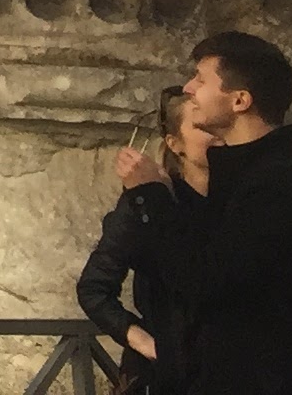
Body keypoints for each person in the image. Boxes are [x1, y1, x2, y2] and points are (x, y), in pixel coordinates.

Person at [165, 30, 292, 394]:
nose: (188, 88)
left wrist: (150, 197)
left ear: (240, 101)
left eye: (201, 79)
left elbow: (208, 285)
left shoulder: (281, 185)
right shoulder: (249, 175)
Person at [88, 89, 210, 390]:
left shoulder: (241, 201)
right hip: (165, 377)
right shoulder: (146, 204)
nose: (217, 135)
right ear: (174, 143)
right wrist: (150, 346)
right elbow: (94, 290)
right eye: (202, 127)